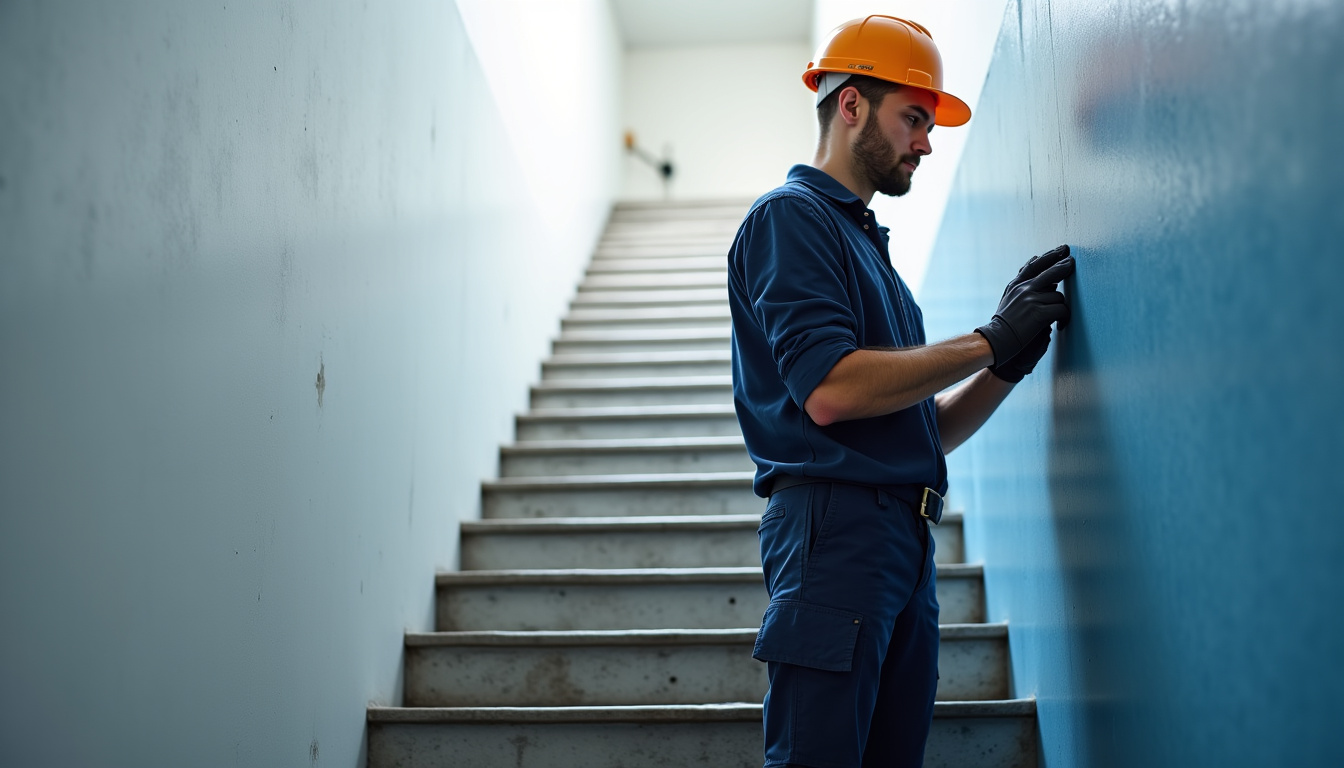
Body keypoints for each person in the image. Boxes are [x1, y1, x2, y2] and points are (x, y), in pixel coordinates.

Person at [727, 15, 1075, 768]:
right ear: (850, 105)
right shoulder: (792, 219)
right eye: (913, 118)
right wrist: (988, 337)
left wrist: (1004, 365)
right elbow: (829, 392)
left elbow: (924, 432)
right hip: (837, 533)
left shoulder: (869, 249)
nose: (925, 141)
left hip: (902, 544)